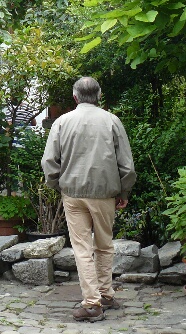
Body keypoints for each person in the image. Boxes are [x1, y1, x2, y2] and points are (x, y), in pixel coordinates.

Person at [41, 77, 136, 322]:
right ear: (99, 96)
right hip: (105, 194)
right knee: (104, 245)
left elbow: (49, 162)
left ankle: (92, 303)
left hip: (73, 194)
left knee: (82, 248)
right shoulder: (112, 121)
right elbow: (127, 165)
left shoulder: (62, 122)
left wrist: (58, 185)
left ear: (75, 97)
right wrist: (123, 192)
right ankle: (105, 295)